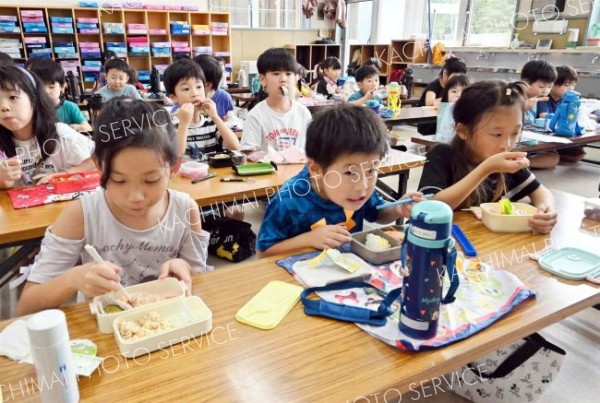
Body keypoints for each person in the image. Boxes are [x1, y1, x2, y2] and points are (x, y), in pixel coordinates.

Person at [16, 98, 210, 315]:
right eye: (119, 180)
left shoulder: (185, 209)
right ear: (98, 166)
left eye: (151, 180)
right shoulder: (82, 214)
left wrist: (184, 268)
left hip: (169, 322)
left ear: (174, 166)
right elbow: (27, 306)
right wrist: (72, 279)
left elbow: (199, 281)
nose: (136, 197)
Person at [257, 104, 424, 257]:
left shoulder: (358, 189)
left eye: (371, 170)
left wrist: (397, 209)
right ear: (316, 169)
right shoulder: (289, 200)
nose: (362, 186)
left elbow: (378, 214)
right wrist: (308, 239)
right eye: (350, 173)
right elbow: (263, 252)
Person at [418, 80, 557, 234]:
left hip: (486, 244)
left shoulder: (504, 160)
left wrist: (545, 211)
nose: (507, 144)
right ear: (463, 131)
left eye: (515, 133)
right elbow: (430, 207)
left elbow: (540, 192)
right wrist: (486, 168)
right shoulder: (441, 155)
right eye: (497, 134)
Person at [0, 65, 94, 189]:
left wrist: (65, 175)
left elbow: (96, 161)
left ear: (34, 99)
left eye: (13, 97)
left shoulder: (61, 134)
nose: (4, 107)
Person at [163, 58, 240, 160]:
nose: (195, 93)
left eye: (199, 87)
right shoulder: (169, 125)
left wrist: (215, 117)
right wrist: (184, 124)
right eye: (186, 89)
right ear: (173, 97)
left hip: (210, 174)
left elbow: (235, 147)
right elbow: (176, 155)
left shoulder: (211, 123)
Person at [240, 48, 311, 153]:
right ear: (263, 79)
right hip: (269, 169)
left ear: (296, 78)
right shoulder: (255, 115)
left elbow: (312, 149)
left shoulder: (303, 112)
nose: (283, 79)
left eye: (288, 74)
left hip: (299, 169)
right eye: (276, 73)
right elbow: (248, 152)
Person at [536, 65, 585, 163]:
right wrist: (559, 117)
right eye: (566, 85)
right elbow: (543, 114)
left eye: (573, 85)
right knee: (557, 157)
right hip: (547, 133)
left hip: (563, 132)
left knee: (579, 154)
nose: (571, 89)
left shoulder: (567, 100)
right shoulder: (544, 98)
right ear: (552, 84)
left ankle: (554, 155)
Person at [28, 59, 92, 132]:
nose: (46, 92)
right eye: (40, 87)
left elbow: (88, 128)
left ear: (62, 87)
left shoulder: (70, 107)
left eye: (51, 87)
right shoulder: (32, 108)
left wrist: (75, 128)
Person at [520, 59, 559, 169]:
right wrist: (522, 107)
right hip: (514, 141)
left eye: (549, 87)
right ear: (526, 83)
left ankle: (524, 164)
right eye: (541, 87)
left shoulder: (536, 99)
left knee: (554, 157)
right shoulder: (515, 96)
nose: (545, 91)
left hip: (529, 140)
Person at [417, 57, 467, 135]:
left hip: (445, 120)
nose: (458, 80)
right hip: (429, 123)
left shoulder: (455, 87)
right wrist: (448, 99)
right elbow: (429, 103)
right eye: (455, 76)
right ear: (445, 74)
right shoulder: (433, 85)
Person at [193, 54, 234, 120]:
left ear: (207, 85)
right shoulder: (186, 98)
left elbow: (232, 122)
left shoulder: (224, 97)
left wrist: (228, 119)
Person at [434, 74, 471, 143]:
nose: (458, 95)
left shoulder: (471, 109)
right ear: (446, 94)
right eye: (454, 91)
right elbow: (442, 134)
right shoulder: (446, 108)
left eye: (463, 92)